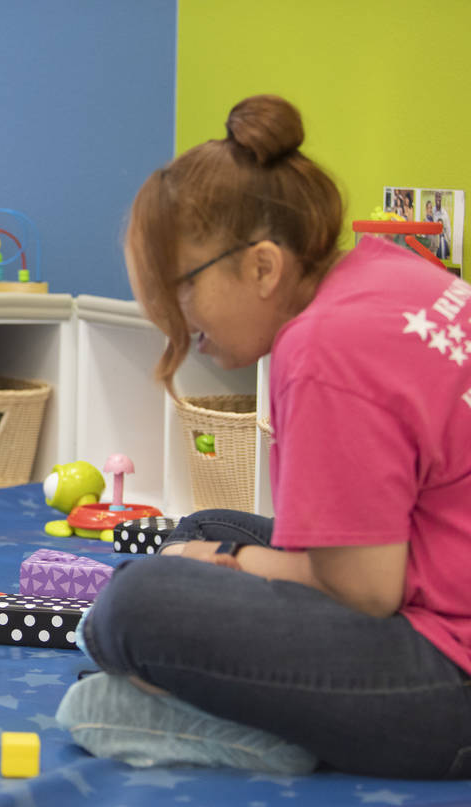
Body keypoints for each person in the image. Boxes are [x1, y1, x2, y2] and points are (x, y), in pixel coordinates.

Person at [58, 95, 471, 779]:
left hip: (446, 678)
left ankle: (251, 722)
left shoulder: (323, 347)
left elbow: (368, 590)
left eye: (182, 287)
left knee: (138, 603)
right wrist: (219, 548)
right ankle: (219, 679)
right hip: (436, 593)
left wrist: (228, 563)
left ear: (262, 267)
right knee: (206, 523)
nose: (178, 319)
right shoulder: (382, 273)